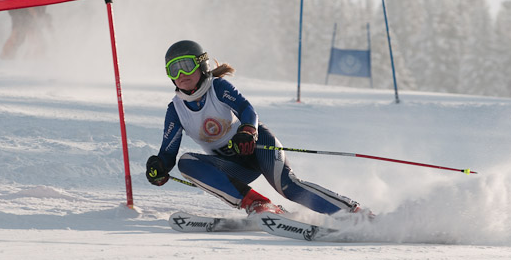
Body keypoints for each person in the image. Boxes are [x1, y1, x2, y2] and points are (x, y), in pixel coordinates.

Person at [145, 40, 367, 217]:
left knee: (288, 186)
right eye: (173, 70)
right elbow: (168, 153)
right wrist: (159, 167)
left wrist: (248, 131)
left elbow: (246, 109)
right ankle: (259, 204)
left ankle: (352, 213)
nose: (180, 75)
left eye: (185, 66)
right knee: (186, 162)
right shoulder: (176, 109)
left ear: (201, 65)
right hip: (234, 166)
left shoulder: (218, 87)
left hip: (257, 146)